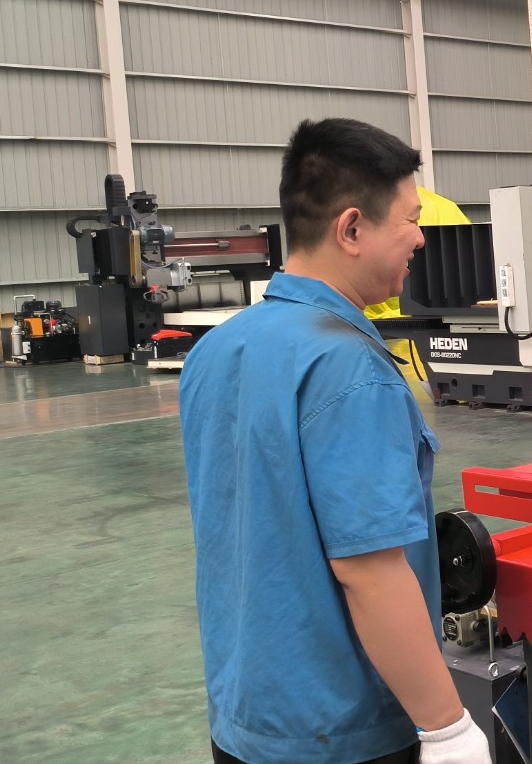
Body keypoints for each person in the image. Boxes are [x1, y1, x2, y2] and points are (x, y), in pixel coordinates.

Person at [181, 118, 492, 764]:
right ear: (351, 229)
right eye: (410, 219)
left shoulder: (216, 350)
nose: (421, 237)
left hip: (245, 719)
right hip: (343, 732)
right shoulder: (350, 369)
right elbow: (370, 571)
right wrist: (446, 727)